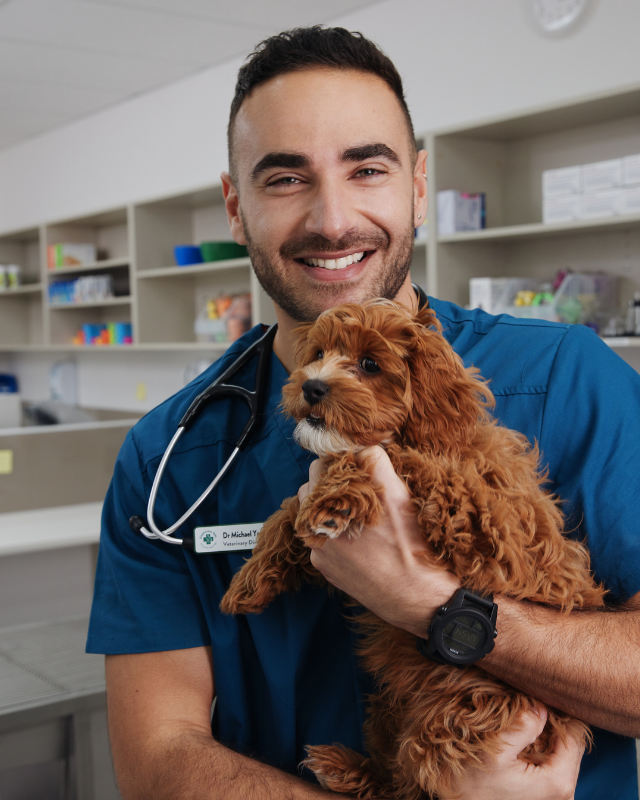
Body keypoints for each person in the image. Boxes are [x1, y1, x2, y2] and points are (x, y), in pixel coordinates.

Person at [87, 26, 640, 800]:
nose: (333, 219)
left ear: (418, 186)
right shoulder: (166, 457)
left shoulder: (567, 378)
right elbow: (156, 760)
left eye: (367, 167)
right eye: (285, 179)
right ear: (235, 206)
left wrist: (437, 606)